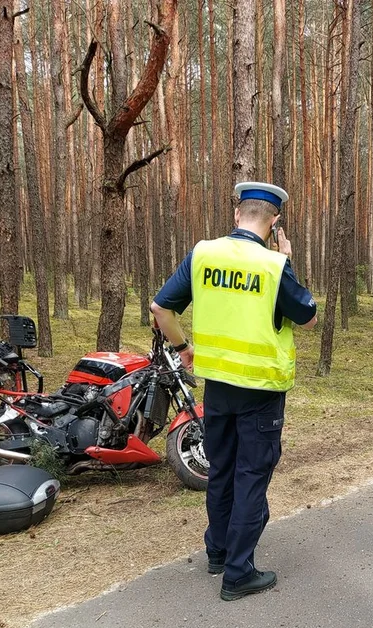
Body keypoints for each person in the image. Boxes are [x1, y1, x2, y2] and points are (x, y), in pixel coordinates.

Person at [151, 182, 317, 599]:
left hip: (218, 387)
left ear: (237, 215)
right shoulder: (274, 266)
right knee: (251, 476)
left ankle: (219, 553)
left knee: (222, 470)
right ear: (274, 222)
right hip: (260, 390)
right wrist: (287, 261)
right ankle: (238, 574)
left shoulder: (204, 253)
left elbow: (160, 308)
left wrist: (182, 348)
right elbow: (308, 317)